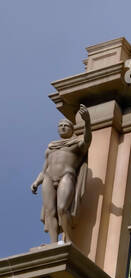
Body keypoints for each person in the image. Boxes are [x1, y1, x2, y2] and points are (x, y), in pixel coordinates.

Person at [31, 104, 92, 244]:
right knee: (50, 212)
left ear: (72, 129)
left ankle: (68, 239)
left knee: (62, 208)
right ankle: (53, 243)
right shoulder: (51, 147)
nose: (63, 127)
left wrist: (87, 122)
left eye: (66, 125)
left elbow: (88, 140)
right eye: (60, 125)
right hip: (48, 179)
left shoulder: (76, 143)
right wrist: (36, 182)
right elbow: (44, 169)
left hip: (66, 175)